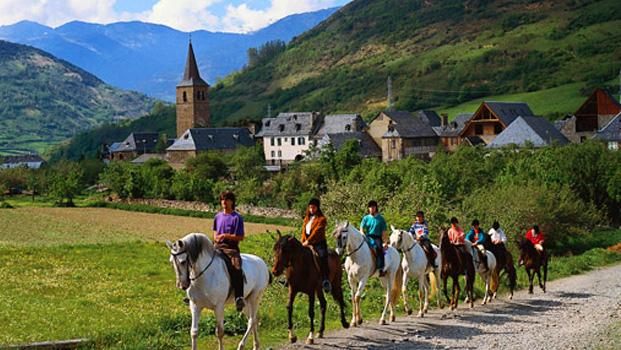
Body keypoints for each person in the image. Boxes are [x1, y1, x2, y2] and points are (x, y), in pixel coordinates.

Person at [213, 190, 246, 312]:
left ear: (232, 202)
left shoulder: (237, 218)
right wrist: (216, 237)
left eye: (227, 200)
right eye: (222, 200)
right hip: (217, 246)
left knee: (237, 269)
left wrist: (226, 236)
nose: (224, 202)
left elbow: (240, 237)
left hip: (231, 249)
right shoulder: (218, 216)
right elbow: (215, 232)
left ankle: (239, 297)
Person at [301, 198, 331, 292]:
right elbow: (303, 231)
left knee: (322, 256)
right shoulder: (307, 218)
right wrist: (303, 241)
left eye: (313, 208)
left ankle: (326, 280)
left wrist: (308, 241)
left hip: (319, 243)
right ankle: (289, 279)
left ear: (317, 208)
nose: (311, 209)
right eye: (310, 207)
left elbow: (316, 232)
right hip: (306, 243)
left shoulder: (322, 219)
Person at [360, 200, 388, 277]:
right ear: (368, 208)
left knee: (379, 248)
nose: (372, 208)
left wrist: (385, 242)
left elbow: (384, 232)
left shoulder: (381, 219)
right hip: (367, 236)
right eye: (370, 207)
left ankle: (381, 268)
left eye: (373, 207)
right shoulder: (366, 218)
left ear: (376, 208)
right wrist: (362, 233)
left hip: (377, 237)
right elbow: (361, 227)